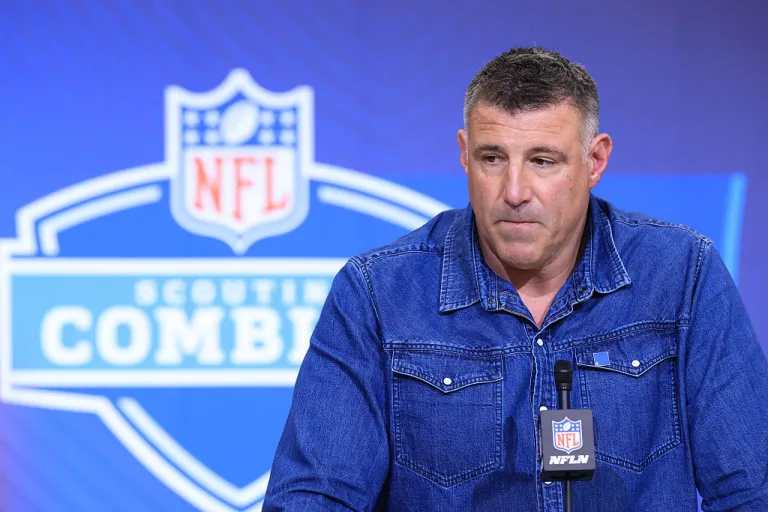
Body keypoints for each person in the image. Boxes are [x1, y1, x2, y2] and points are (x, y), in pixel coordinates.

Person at [262, 47, 768, 511]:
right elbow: (315, 497)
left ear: (595, 161)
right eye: (492, 158)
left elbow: (751, 489)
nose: (515, 191)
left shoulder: (681, 275)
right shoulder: (376, 294)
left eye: (543, 161)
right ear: (464, 154)